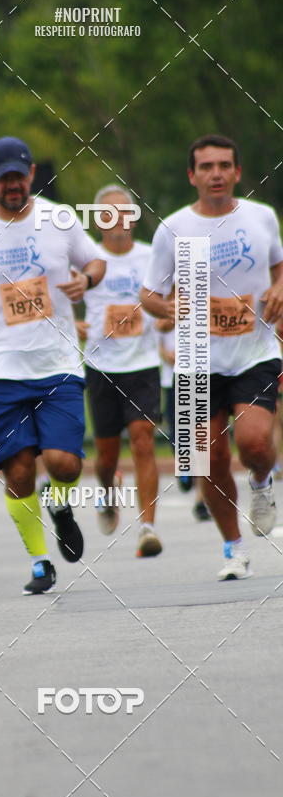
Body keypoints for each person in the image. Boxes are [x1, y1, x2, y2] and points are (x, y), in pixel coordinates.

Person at [0, 136, 105, 594]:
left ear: (31, 175)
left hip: (58, 363)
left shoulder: (58, 218)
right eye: (4, 178)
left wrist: (86, 280)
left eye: (19, 176)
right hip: (0, 370)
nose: (13, 185)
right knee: (20, 471)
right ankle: (39, 561)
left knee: (65, 464)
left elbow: (95, 260)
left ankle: (60, 504)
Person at [141, 134, 283, 580]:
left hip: (253, 352)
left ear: (237, 172)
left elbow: (278, 266)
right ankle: (233, 549)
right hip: (195, 360)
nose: (216, 174)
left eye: (224, 165)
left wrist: (279, 288)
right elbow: (148, 294)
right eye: (206, 167)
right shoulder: (173, 229)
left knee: (254, 443)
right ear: (192, 175)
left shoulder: (262, 217)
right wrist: (166, 309)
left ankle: (261, 481)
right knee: (207, 458)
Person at [78, 185, 163, 557]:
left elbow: (168, 299)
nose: (117, 220)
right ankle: (108, 489)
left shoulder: (150, 257)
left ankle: (148, 528)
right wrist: (74, 326)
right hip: (102, 366)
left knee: (143, 440)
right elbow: (56, 301)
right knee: (106, 456)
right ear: (98, 221)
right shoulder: (88, 260)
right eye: (108, 213)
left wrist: (165, 319)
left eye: (125, 212)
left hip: (142, 363)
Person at [157, 322, 210, 521]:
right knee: (178, 436)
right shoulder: (163, 306)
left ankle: (201, 500)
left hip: (202, 376)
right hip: (172, 379)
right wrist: (167, 355)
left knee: (202, 436)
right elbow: (156, 338)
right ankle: (184, 463)